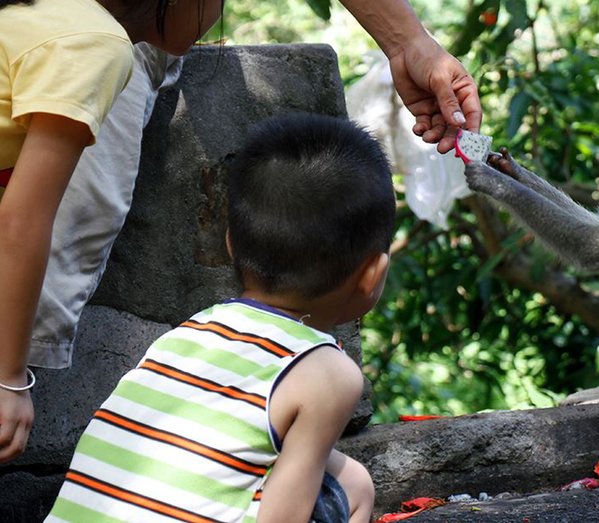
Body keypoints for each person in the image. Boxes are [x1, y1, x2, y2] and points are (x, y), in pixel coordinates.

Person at [0, 0, 482, 464]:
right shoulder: (94, 45)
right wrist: (9, 380)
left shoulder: (177, 345)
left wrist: (409, 46)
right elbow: (24, 219)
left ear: (229, 241)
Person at [47, 113, 393, 523]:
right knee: (355, 487)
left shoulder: (190, 332)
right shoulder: (329, 374)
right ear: (373, 274)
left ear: (231, 243)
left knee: (340, 469)